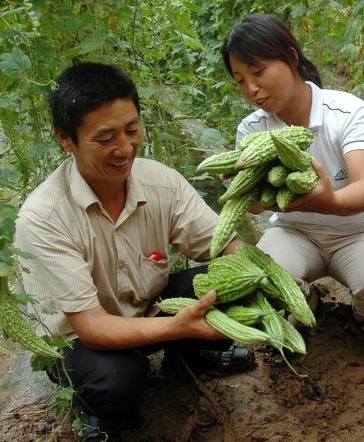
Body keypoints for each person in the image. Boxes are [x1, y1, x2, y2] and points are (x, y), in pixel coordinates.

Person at [14, 63, 254, 441]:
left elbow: (227, 245)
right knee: (116, 380)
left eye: (132, 130)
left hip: (148, 309)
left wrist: (261, 280)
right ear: (65, 138)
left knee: (229, 283)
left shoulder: (162, 183)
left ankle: (193, 352)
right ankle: (100, 413)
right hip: (82, 339)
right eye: (105, 137)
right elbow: (91, 326)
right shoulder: (43, 218)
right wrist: (178, 325)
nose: (124, 149)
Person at [221, 13, 364, 359]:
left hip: (353, 232)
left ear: (291, 57)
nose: (252, 89)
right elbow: (258, 206)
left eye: (258, 72)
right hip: (294, 234)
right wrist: (243, 190)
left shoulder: (348, 112)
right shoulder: (252, 129)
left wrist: (323, 201)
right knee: (259, 283)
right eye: (240, 81)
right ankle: (306, 300)